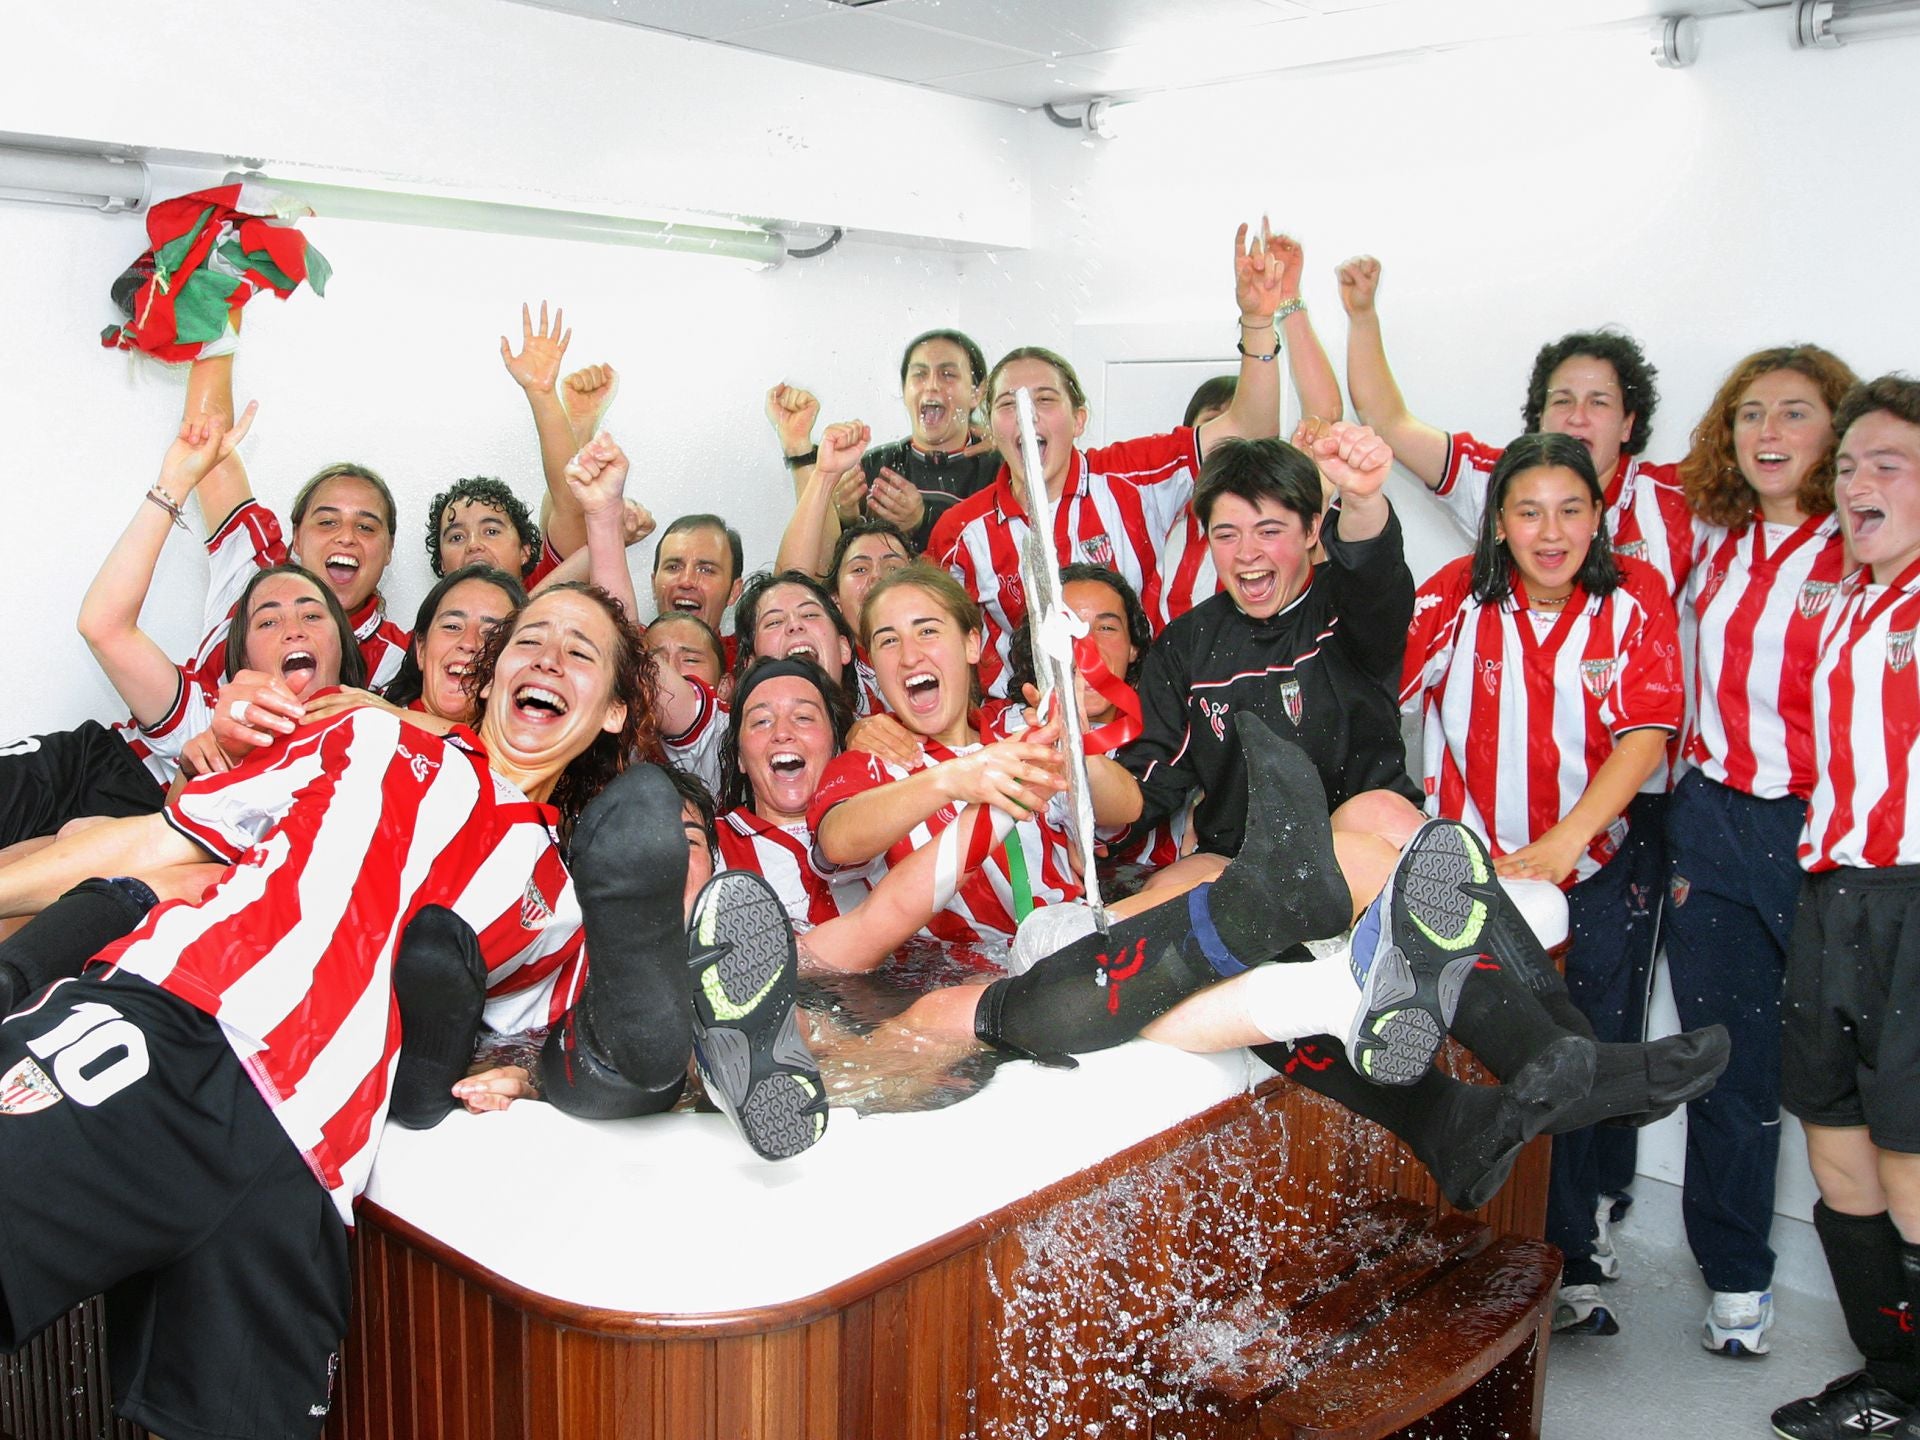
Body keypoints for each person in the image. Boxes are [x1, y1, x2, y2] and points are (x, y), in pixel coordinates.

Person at [0, 571, 824, 1439]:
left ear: (614, 713)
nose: (547, 657)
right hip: (174, 1039)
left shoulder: (565, 899)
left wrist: (526, 1082)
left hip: (308, 1184)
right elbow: (151, 840)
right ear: (495, 673)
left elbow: (549, 1038)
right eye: (529, 640)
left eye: (580, 653)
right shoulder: (366, 736)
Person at [1401, 431, 1683, 1336]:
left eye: (1570, 509)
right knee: (1489, 1057)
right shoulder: (1453, 600)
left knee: (1581, 1054)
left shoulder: (1633, 599)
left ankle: (1574, 1258)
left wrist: (1568, 840)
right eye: (1528, 511)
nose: (1550, 531)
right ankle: (1479, 1254)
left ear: (1599, 517)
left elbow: (1645, 736)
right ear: (1499, 524)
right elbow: (1385, 699)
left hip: (1595, 872)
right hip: (1476, 884)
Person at [1667, 344, 1858, 1359]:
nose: (1768, 434)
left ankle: (1888, 1298)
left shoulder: (1866, 548)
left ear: (1837, 432)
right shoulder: (1709, 541)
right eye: (1749, 415)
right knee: (1726, 1069)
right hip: (1712, 820)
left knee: (1856, 1072)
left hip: (1823, 838)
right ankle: (1737, 1277)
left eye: (1794, 413)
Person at [924, 222, 1317, 696]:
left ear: (1080, 418)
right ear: (991, 425)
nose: (1026, 418)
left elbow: (1250, 432)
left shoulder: (1133, 474)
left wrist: (1257, 323)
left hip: (1144, 714)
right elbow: (935, 642)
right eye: (1009, 405)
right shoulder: (960, 532)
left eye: (1044, 400)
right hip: (1028, 724)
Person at [1770, 376, 1920, 1440]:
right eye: (1852, 464)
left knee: (1914, 1163)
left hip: (1914, 903)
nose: (1858, 483)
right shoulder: (1851, 596)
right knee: (1836, 1146)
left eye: (1889, 465)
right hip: (1833, 895)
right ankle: (1893, 1380)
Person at [769, 328, 1000, 559]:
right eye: (919, 374)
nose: (931, 385)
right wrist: (845, 519)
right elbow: (827, 571)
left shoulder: (998, 471)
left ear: (977, 393)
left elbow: (1004, 556)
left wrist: (925, 521)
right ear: (904, 390)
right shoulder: (874, 466)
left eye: (947, 374)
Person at [653, 513, 746, 664]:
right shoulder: (627, 653)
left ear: (734, 591)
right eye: (673, 567)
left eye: (706, 570)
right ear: (653, 583)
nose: (686, 581)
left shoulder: (745, 665)